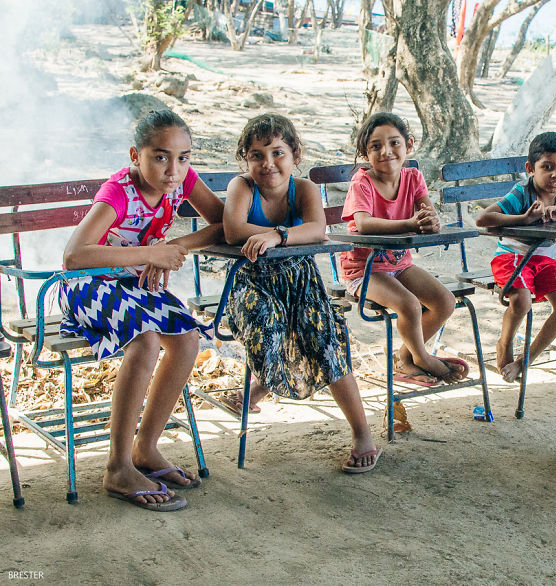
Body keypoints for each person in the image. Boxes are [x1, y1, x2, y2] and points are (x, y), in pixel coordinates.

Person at [60, 110, 226, 511]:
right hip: (89, 287)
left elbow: (223, 222)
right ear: (136, 155)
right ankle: (117, 467)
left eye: (183, 157)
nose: (174, 169)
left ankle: (145, 449)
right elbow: (75, 256)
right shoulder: (119, 192)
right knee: (146, 341)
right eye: (160, 156)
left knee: (187, 340)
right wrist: (151, 251)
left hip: (133, 288)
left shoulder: (181, 180)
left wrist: (177, 248)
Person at [221, 113, 381, 473]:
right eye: (257, 155)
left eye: (278, 152)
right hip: (253, 283)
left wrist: (275, 235)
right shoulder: (242, 188)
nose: (268, 164)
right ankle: (262, 384)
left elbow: (317, 229)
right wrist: (285, 232)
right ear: (246, 160)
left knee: (326, 337)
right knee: (268, 325)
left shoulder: (305, 188)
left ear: (295, 154)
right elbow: (233, 230)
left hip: (302, 282)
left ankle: (362, 434)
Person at [340, 112, 468, 385]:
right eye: (375, 146)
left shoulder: (413, 177)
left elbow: (428, 216)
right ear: (365, 153)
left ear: (408, 145)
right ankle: (422, 358)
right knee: (409, 304)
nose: (386, 151)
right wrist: (409, 222)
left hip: (399, 266)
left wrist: (432, 223)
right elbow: (362, 224)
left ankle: (406, 357)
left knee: (444, 302)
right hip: (364, 271)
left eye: (394, 143)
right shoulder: (361, 182)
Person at [475, 132, 556, 382]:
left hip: (546, 261)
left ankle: (527, 359)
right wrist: (524, 219)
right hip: (512, 256)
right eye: (547, 167)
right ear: (530, 169)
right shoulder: (522, 193)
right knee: (522, 301)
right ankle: (505, 342)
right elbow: (484, 219)